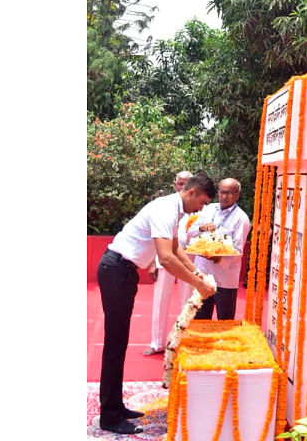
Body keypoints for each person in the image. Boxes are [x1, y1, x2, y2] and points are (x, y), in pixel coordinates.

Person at [96, 172, 217, 435]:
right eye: (203, 202)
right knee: (115, 343)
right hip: (116, 269)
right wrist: (198, 285)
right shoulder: (166, 209)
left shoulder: (175, 210)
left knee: (119, 341)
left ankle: (115, 405)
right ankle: (109, 415)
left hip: (123, 271)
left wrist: (198, 274)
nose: (202, 208)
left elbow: (176, 250)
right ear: (193, 192)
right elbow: (166, 258)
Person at [142, 171, 194, 356]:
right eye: (179, 183)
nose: (182, 187)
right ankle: (157, 343)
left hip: (188, 260)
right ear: (175, 184)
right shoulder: (165, 205)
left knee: (187, 303)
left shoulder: (197, 208)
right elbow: (158, 240)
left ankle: (182, 341)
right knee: (160, 301)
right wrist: (154, 262)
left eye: (186, 184)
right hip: (165, 260)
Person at [187, 178, 251, 320]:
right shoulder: (209, 209)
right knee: (199, 319)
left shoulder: (241, 218)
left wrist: (218, 258)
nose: (223, 196)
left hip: (225, 280)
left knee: (225, 322)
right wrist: (202, 228)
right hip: (203, 276)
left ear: (237, 194)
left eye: (228, 193)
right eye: (221, 192)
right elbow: (190, 233)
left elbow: (238, 251)